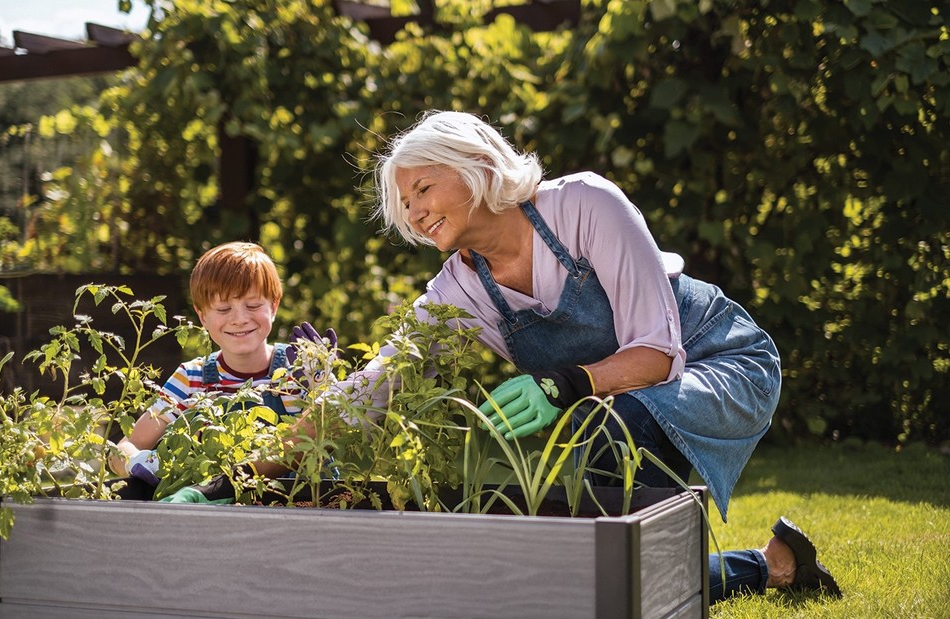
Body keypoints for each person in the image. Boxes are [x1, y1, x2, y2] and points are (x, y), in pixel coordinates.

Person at [357, 109, 841, 601]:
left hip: (719, 361)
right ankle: (772, 565)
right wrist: (286, 440)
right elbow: (380, 380)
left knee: (615, 437)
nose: (413, 212)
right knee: (601, 572)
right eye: (404, 201)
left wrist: (560, 385)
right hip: (620, 404)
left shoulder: (584, 205)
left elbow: (656, 354)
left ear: (478, 165)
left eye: (423, 188)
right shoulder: (458, 290)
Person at [108, 242, 336, 498]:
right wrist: (135, 461)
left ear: (274, 305)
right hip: (212, 514)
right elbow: (125, 447)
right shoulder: (191, 378)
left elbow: (337, 434)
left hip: (301, 507)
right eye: (223, 309)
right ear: (202, 315)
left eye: (252, 306)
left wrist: (323, 385)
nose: (239, 318)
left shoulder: (300, 368)